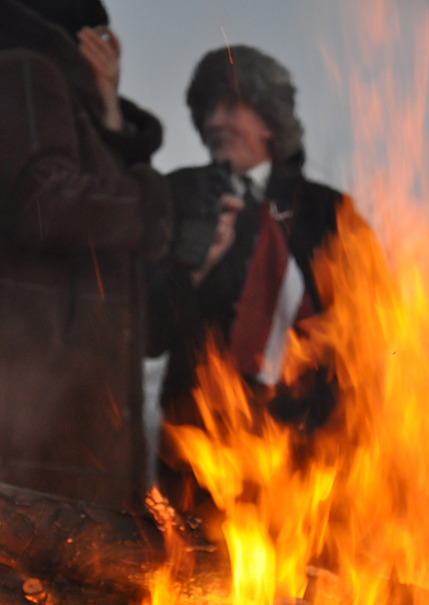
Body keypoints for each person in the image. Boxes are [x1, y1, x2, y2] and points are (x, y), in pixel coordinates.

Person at [146, 45, 346, 513]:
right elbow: (146, 334)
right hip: (195, 453)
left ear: (270, 119)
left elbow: (368, 336)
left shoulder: (329, 211)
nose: (215, 121)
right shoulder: (173, 196)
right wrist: (190, 270)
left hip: (308, 459)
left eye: (231, 105)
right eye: (207, 109)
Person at [0, 0, 171, 514]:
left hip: (71, 434)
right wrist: (155, 201)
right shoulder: (26, 70)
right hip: (36, 437)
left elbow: (99, 220)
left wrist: (109, 111)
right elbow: (43, 201)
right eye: (99, 34)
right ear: (81, 39)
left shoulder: (66, 100)